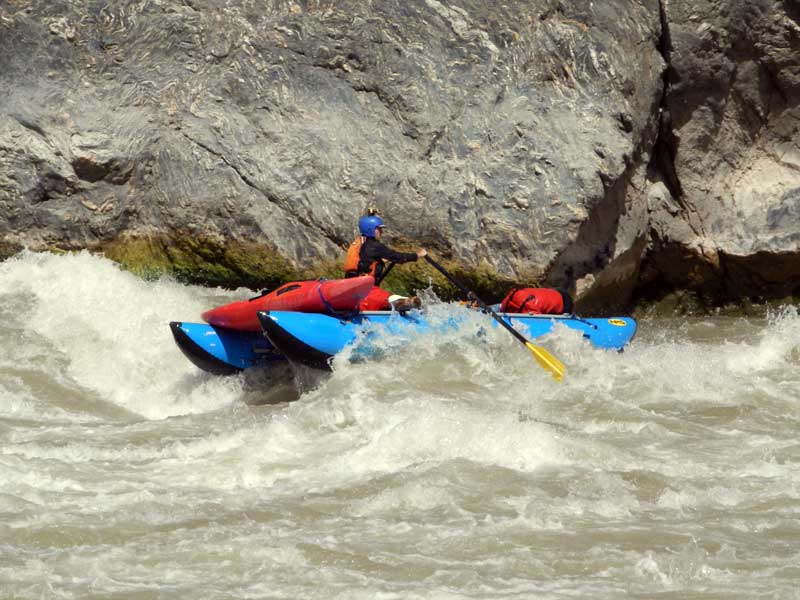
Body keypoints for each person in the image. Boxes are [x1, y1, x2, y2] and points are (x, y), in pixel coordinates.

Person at [344, 214, 427, 311]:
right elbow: (397, 257)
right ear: (371, 229)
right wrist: (417, 255)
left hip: (351, 289)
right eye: (379, 229)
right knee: (407, 303)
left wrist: (380, 261)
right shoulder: (374, 246)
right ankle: (405, 303)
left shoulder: (359, 243)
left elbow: (364, 261)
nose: (381, 232)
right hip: (367, 292)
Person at [499, 287, 574, 315]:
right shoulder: (513, 295)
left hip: (564, 302)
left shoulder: (529, 308)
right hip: (554, 291)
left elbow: (539, 321)